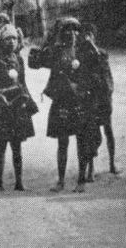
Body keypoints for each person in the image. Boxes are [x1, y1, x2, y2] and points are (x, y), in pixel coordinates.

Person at [29, 17, 102, 193]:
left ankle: (81, 180)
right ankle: (61, 181)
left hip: (79, 102)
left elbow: (97, 65)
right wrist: (48, 39)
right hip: (61, 102)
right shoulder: (56, 51)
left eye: (75, 29)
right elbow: (34, 62)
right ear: (61, 33)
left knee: (81, 142)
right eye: (67, 29)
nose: (72, 33)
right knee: (62, 143)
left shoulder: (84, 51)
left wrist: (91, 45)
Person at [0, 25, 37, 191]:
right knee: (1, 145)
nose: (12, 42)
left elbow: (22, 82)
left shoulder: (18, 60)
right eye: (8, 38)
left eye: (14, 38)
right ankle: (0, 182)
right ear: (1, 41)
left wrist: (27, 100)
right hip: (2, 107)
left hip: (16, 107)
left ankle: (19, 181)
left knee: (17, 145)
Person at [81, 23, 118, 179]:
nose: (87, 37)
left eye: (90, 34)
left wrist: (108, 94)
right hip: (90, 99)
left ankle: (112, 163)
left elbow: (107, 75)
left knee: (108, 130)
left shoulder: (101, 53)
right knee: (90, 133)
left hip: (102, 97)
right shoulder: (81, 56)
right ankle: (91, 169)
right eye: (84, 34)